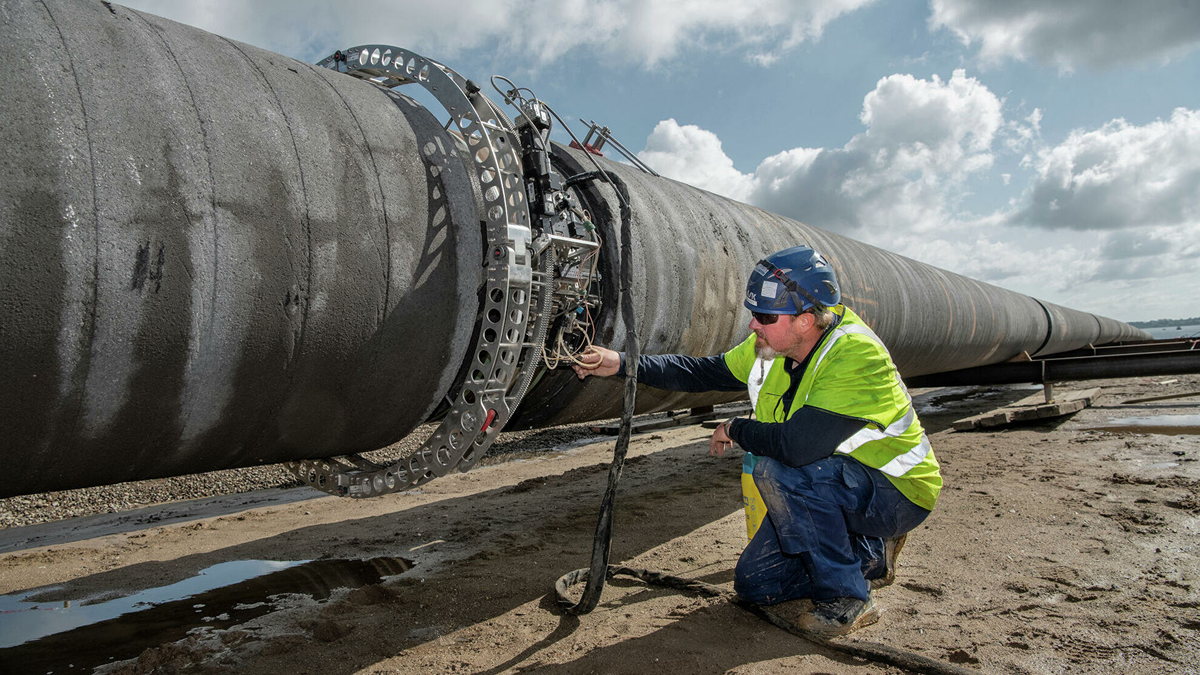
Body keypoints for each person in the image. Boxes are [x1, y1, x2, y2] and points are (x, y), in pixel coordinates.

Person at [573, 245, 941, 635]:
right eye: (753, 314)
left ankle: (849, 597)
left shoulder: (854, 355)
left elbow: (797, 447)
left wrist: (735, 428)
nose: (753, 325)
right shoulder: (773, 346)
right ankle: (869, 554)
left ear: (804, 320)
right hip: (836, 486)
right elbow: (703, 373)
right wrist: (623, 363)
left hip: (896, 492)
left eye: (764, 316)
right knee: (757, 586)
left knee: (781, 470)